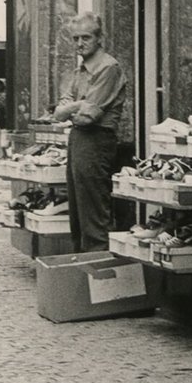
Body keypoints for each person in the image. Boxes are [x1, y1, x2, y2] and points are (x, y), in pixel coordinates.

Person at [47, 14, 128, 252]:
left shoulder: (108, 67)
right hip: (79, 139)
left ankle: (99, 274)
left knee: (93, 213)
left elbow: (90, 115)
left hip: (96, 141)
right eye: (75, 38)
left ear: (99, 38)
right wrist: (76, 106)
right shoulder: (80, 69)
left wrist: (71, 108)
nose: (80, 43)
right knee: (77, 214)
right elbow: (59, 113)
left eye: (86, 37)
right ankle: (82, 272)